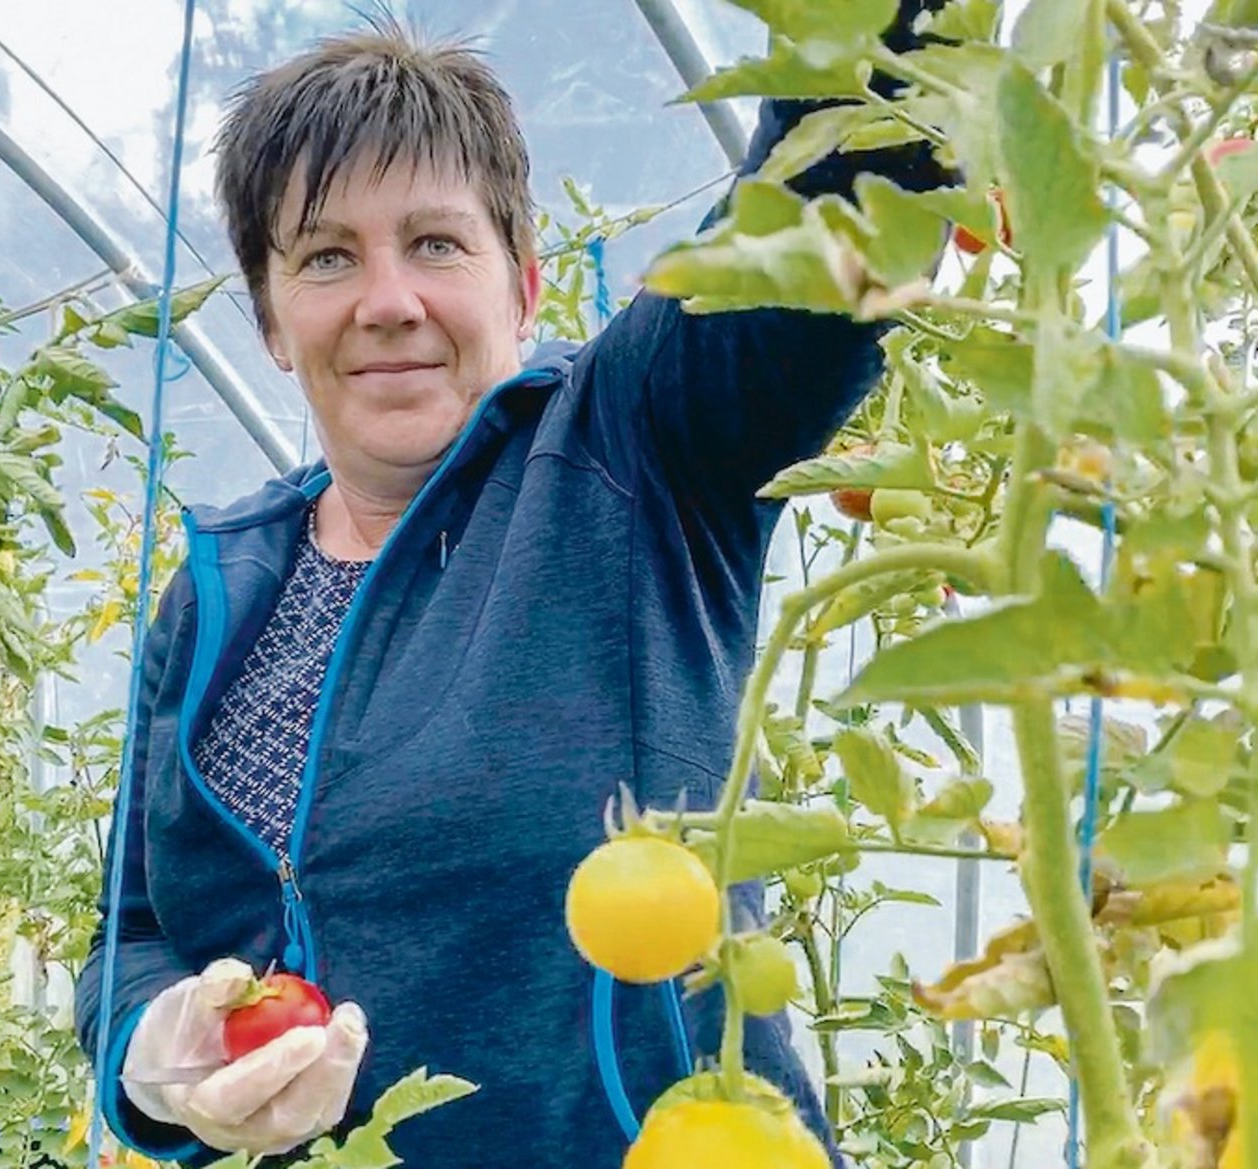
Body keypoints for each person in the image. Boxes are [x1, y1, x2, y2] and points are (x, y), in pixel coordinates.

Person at [74, 8, 952, 1167]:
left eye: (435, 243)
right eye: (326, 255)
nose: (385, 299)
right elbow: (132, 934)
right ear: (271, 319)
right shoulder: (213, 596)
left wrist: (880, 25)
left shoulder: (634, 446)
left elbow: (839, 188)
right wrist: (157, 1051)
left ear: (523, 284)